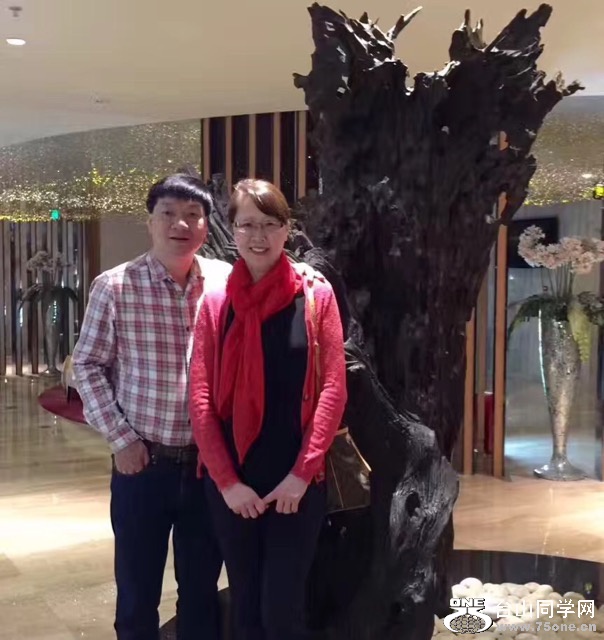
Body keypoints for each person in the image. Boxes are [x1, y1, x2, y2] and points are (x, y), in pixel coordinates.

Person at [72, 174, 231, 640]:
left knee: (201, 590)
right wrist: (121, 440)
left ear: (206, 225)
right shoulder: (115, 286)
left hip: (207, 468)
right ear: (151, 222)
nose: (181, 224)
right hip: (143, 465)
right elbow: (87, 365)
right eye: (169, 213)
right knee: (137, 592)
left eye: (193, 215)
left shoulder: (224, 282)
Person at [189, 178, 347, 640]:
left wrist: (301, 474)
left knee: (282, 608)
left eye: (270, 224)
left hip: (295, 482)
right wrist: (227, 483)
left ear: (287, 229)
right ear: (232, 230)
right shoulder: (216, 301)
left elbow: (333, 388)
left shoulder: (315, 295)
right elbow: (200, 396)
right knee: (245, 605)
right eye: (247, 225)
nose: (258, 236)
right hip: (233, 482)